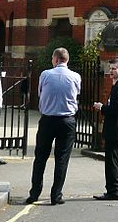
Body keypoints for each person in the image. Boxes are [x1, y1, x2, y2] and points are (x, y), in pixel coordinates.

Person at [26, 47, 81, 206]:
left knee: (40, 158)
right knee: (62, 159)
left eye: (52, 58)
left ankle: (34, 194)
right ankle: (56, 196)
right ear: (67, 60)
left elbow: (39, 93)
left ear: (56, 59)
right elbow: (76, 95)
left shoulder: (45, 74)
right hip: (67, 121)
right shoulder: (75, 76)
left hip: (48, 119)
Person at [93, 58, 118, 200]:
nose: (110, 71)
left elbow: (117, 109)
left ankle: (113, 191)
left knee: (112, 162)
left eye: (113, 69)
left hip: (115, 131)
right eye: (110, 68)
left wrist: (101, 107)